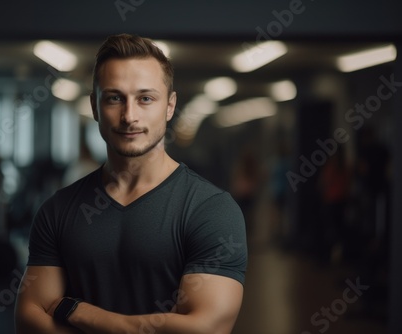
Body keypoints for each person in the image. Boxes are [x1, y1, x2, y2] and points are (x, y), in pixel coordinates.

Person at [15, 33, 247, 334]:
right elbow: (29, 320)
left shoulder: (211, 210)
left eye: (145, 98)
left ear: (170, 106)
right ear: (95, 106)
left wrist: (81, 313)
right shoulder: (57, 210)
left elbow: (204, 329)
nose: (129, 116)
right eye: (114, 98)